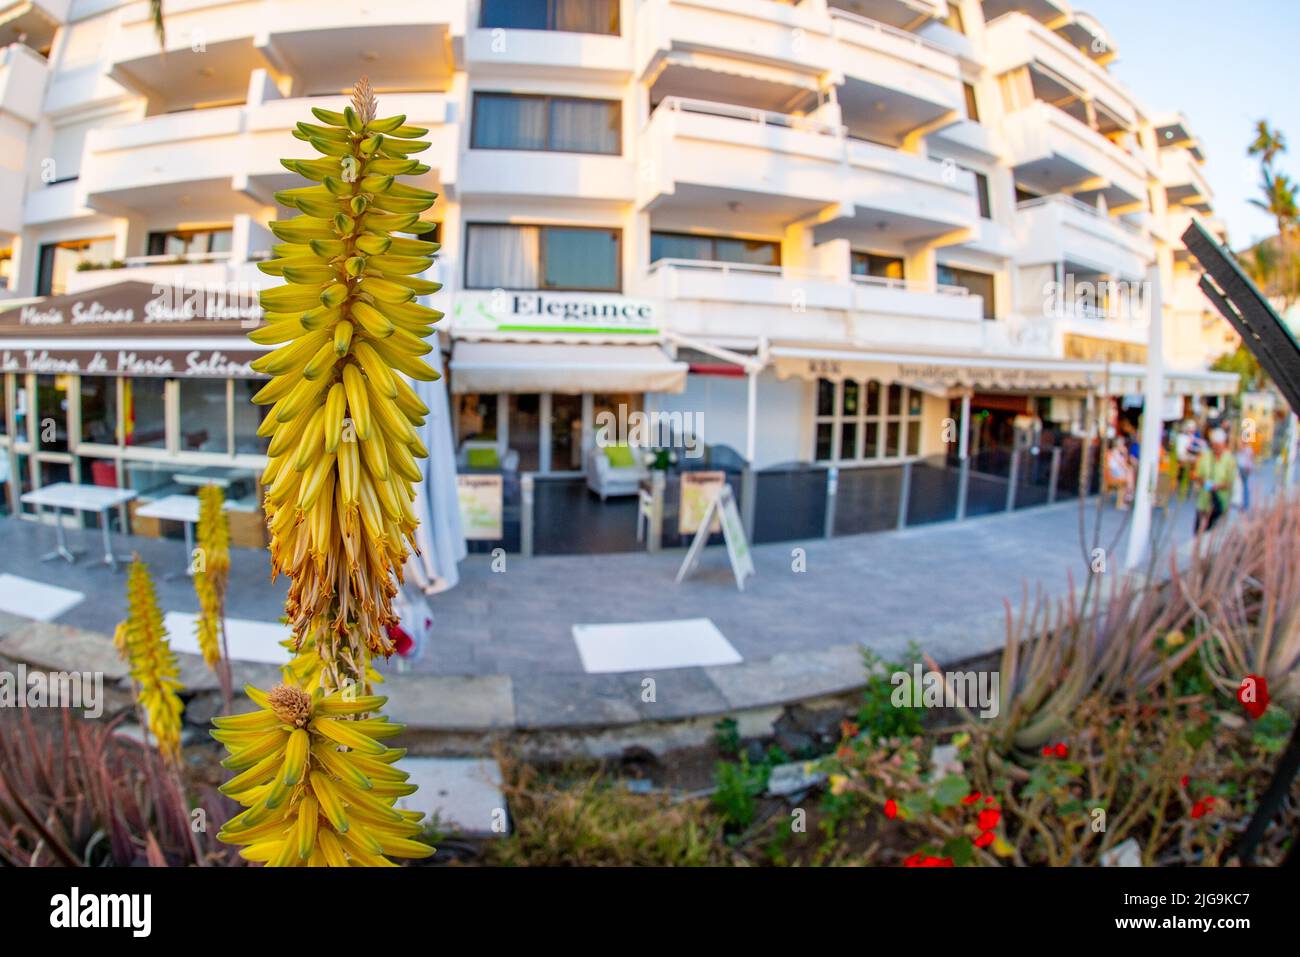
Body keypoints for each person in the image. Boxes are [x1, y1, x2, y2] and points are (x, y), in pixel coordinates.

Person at [1193, 427, 1238, 534]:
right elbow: (1196, 474)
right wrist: (1204, 482)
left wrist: (1217, 486)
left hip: (1220, 502)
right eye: (1214, 445)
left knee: (1214, 533)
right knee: (1199, 531)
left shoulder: (1229, 460)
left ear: (1224, 444)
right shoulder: (1205, 456)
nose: (1216, 448)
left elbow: (1231, 482)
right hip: (1204, 500)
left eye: (1219, 446)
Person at [1106, 438, 1135, 509]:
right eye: (1122, 444)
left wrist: (1125, 453)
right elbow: (1123, 465)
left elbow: (1124, 464)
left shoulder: (1118, 453)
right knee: (1129, 472)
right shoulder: (1115, 452)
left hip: (1117, 471)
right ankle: (1129, 493)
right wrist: (1125, 453)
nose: (1123, 446)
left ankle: (1129, 492)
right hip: (1113, 473)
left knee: (1130, 472)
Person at [1235, 430, 1255, 511]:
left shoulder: (1247, 448)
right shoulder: (1246, 448)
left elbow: (1249, 459)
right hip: (1242, 468)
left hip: (1244, 468)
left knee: (1244, 486)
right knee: (1242, 486)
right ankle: (1242, 503)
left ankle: (1245, 503)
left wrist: (1248, 468)